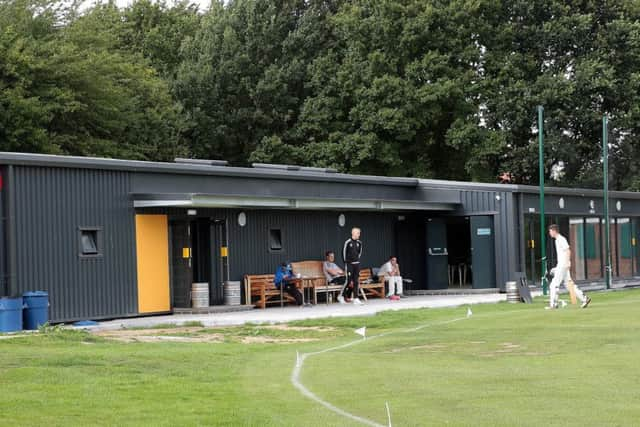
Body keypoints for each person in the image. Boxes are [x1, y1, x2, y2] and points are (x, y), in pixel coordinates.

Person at [547, 224, 591, 309]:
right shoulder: (557, 240)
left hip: (563, 265)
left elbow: (568, 251)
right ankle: (585, 299)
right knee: (569, 285)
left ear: (554, 231)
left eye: (550, 231)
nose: (549, 233)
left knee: (554, 284)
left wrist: (567, 263)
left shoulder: (561, 239)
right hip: (563, 265)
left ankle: (553, 304)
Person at [339, 227, 363, 305]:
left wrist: (356, 261)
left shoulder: (359, 243)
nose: (359, 234)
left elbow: (359, 254)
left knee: (356, 281)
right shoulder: (348, 242)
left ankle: (356, 298)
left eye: (359, 233)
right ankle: (341, 296)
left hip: (357, 264)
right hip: (349, 264)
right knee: (348, 281)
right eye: (358, 233)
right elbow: (343, 253)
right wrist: (347, 262)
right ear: (353, 233)